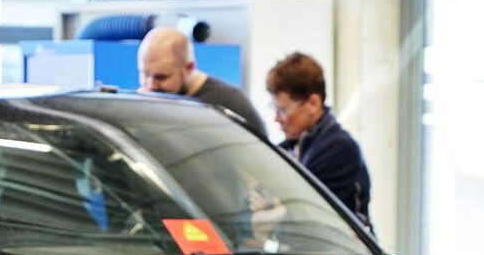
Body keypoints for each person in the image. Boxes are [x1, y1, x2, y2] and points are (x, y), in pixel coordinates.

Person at [266, 52, 373, 230]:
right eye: (275, 109)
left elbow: (302, 213)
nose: (277, 118)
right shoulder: (293, 147)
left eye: (283, 110)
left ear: (313, 103)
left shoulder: (339, 148)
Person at [137, 27, 267, 137]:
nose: (151, 85)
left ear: (189, 67)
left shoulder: (230, 102)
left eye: (161, 77)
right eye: (145, 74)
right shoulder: (141, 100)